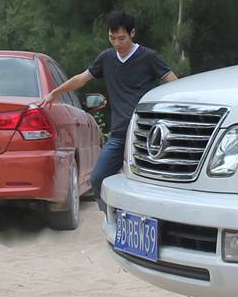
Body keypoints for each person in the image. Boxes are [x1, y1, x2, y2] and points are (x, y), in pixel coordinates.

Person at [40, 11, 177, 207]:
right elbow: (82, 78)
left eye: (121, 38)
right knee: (98, 178)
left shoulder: (148, 57)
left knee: (147, 184)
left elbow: (173, 83)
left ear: (132, 33)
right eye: (112, 38)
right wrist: (55, 92)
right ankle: (111, 217)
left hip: (145, 134)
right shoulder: (107, 58)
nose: (117, 43)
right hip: (119, 134)